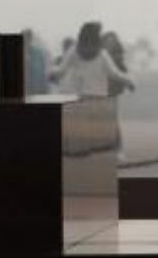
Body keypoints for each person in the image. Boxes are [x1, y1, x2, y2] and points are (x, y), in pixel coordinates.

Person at [50, 22, 135, 159]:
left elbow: (60, 71)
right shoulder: (101, 54)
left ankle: (87, 157)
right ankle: (109, 155)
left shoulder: (76, 51)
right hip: (98, 98)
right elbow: (115, 74)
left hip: (84, 98)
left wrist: (51, 73)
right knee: (104, 130)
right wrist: (129, 82)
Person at [22, 29, 51, 96]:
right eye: (25, 37)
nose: (27, 40)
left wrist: (45, 88)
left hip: (37, 89)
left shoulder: (38, 52)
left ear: (31, 39)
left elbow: (42, 71)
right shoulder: (18, 52)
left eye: (28, 37)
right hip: (24, 89)